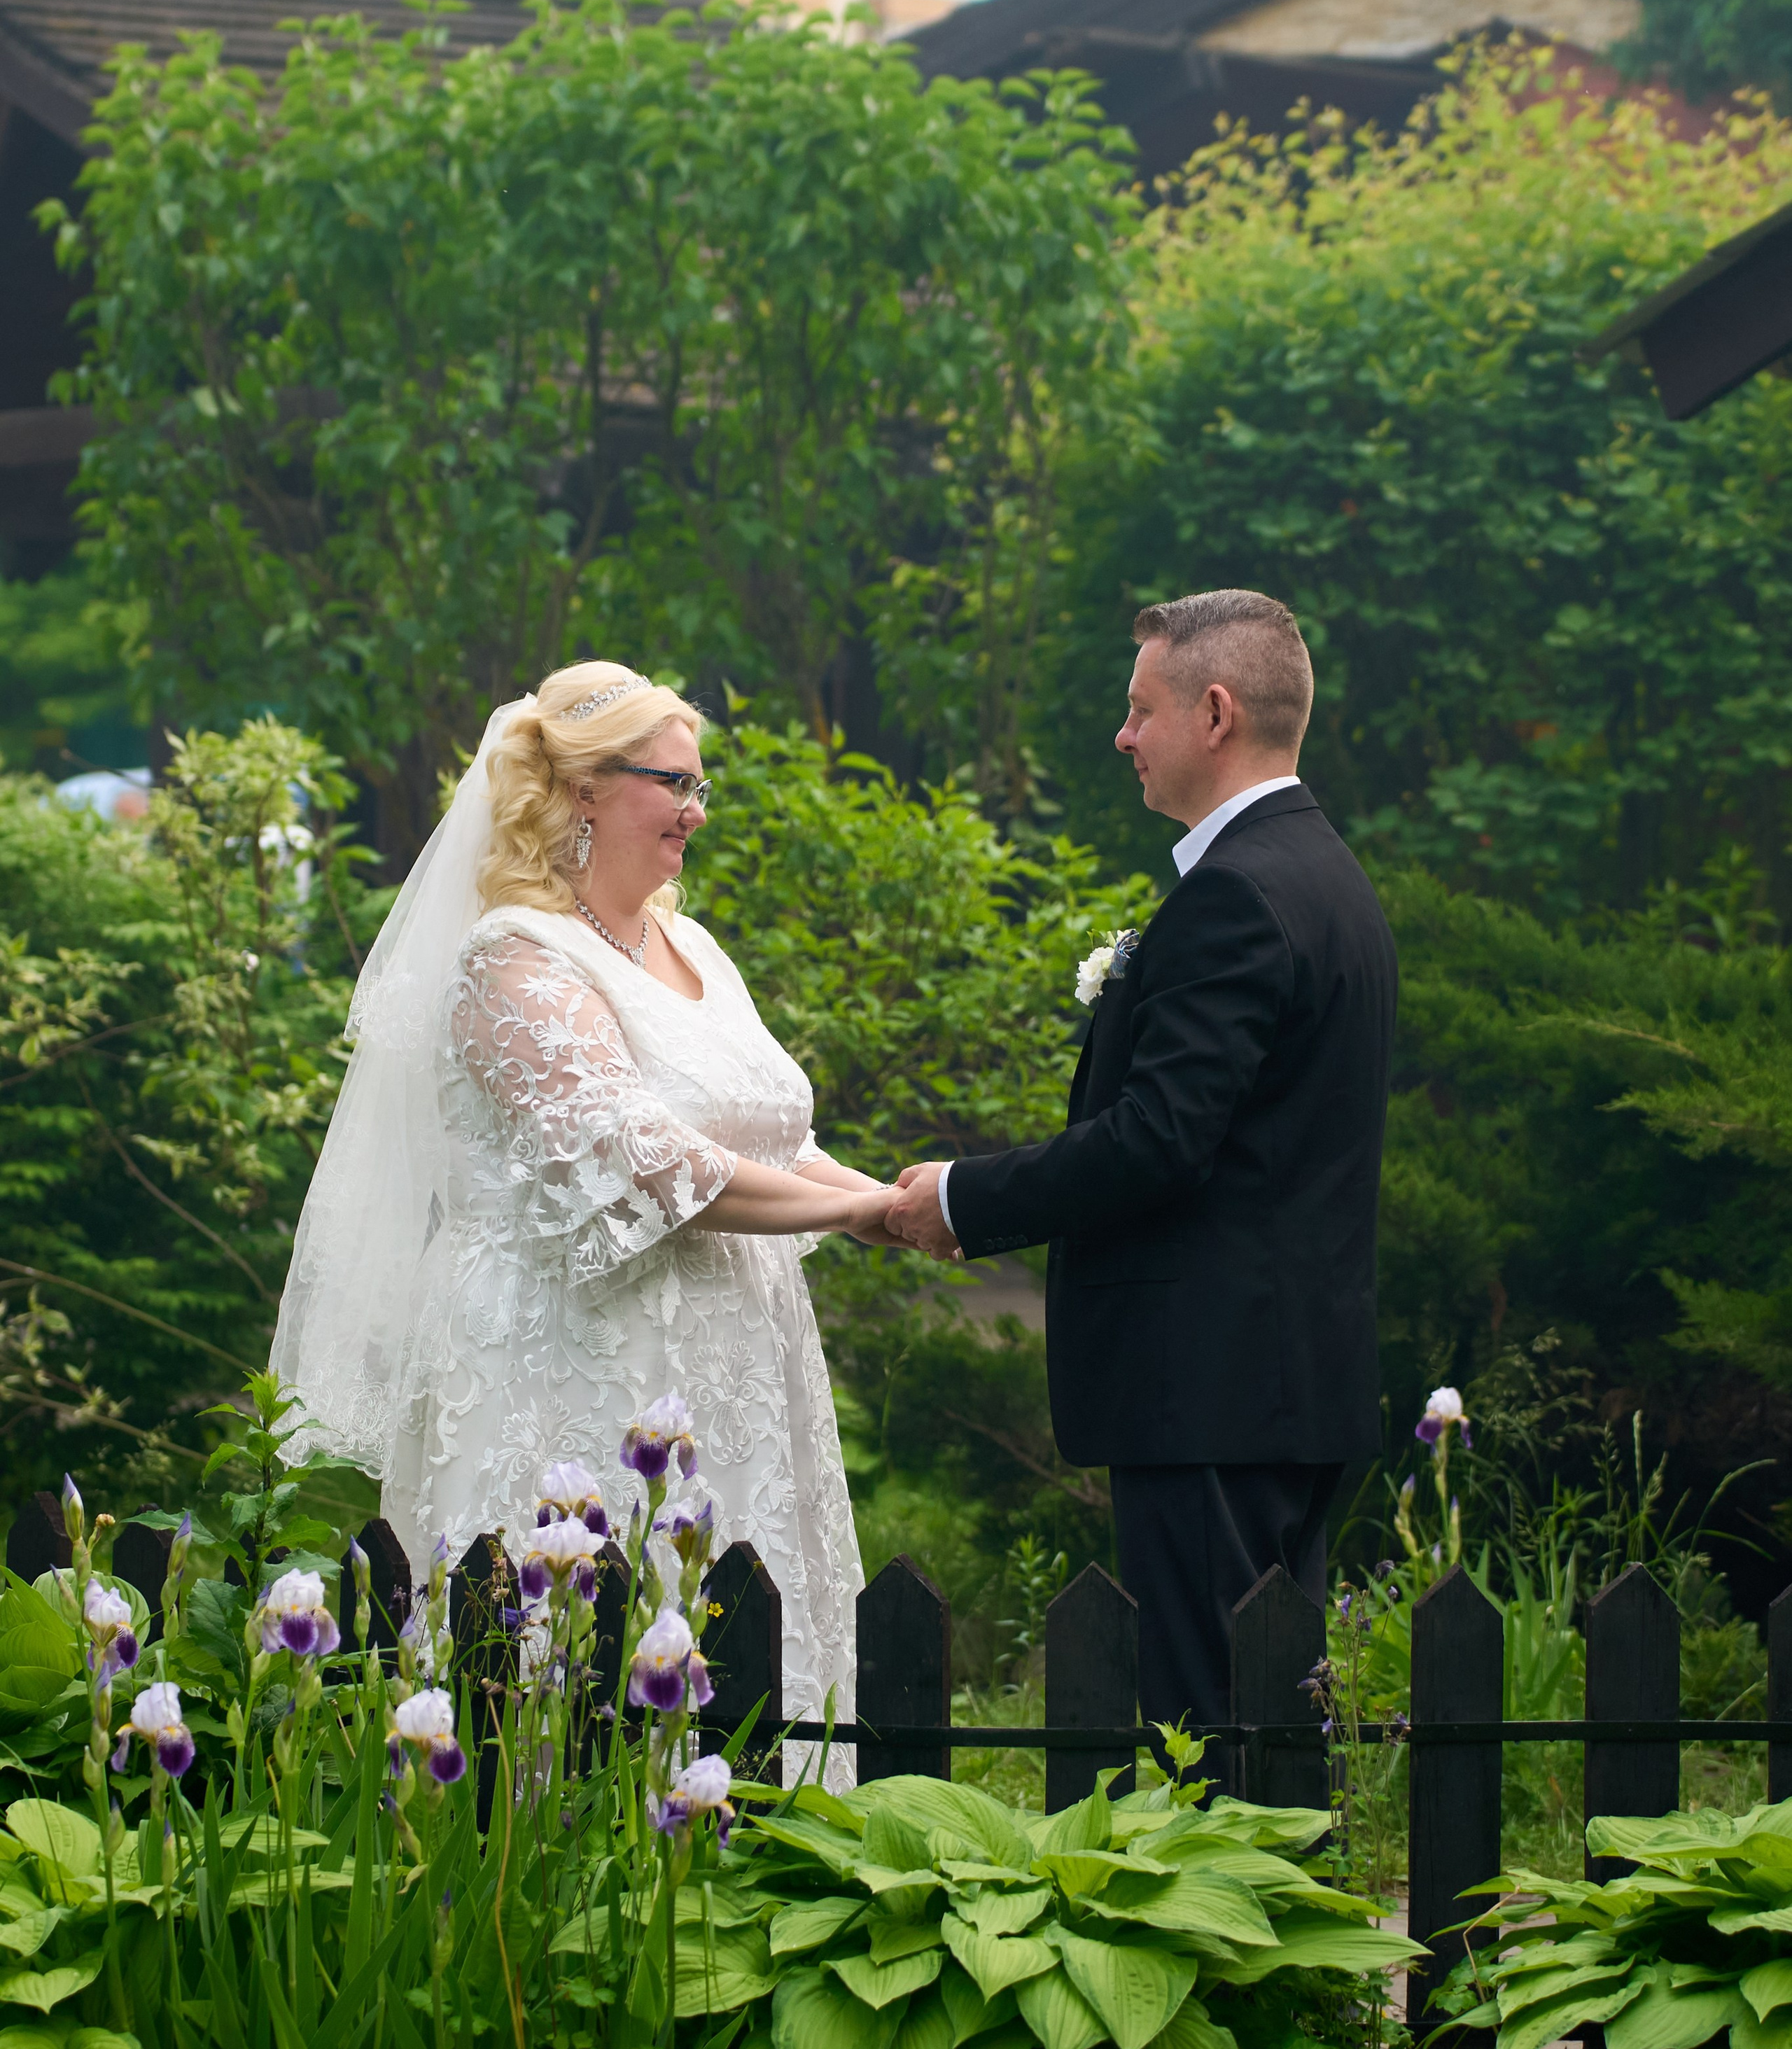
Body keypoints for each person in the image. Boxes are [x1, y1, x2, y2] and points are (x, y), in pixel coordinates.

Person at [272, 660, 895, 1744]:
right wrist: (851, 1215)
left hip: (732, 1364)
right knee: (580, 1652)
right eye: (675, 784)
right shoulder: (511, 959)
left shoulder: (687, 944)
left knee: (737, 1634)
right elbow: (645, 1160)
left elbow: (777, 1137)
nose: (696, 812)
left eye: (704, 789)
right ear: (585, 792)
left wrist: (893, 1199)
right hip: (575, 1361)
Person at [882, 589, 1396, 1737]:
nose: (1122, 736)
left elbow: (1160, 1140)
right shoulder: (1326, 877)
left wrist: (961, 1197)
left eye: (1139, 708)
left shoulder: (1238, 897)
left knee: (1211, 1730)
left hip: (1209, 1388)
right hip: (1285, 1379)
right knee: (1270, 1716)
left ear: (1215, 712)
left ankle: (1229, 1914)